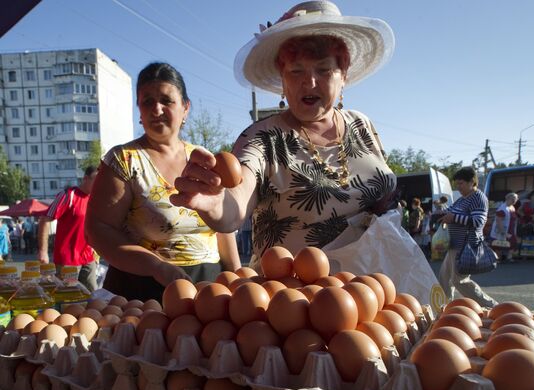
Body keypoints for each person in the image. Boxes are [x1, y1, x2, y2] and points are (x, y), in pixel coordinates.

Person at [169, 1, 397, 272]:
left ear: (343, 75)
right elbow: (237, 200)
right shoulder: (263, 139)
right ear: (282, 80)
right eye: (296, 70)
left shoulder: (362, 125)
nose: (309, 82)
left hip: (378, 286)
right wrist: (217, 203)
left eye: (324, 70)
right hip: (295, 302)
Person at [85, 62, 241, 302]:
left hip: (208, 290)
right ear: (139, 110)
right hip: (141, 291)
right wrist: (155, 266)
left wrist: (238, 280)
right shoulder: (123, 160)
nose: (156, 109)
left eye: (166, 100)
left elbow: (223, 230)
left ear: (185, 108)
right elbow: (98, 231)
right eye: (147, 101)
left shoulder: (202, 157)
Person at [438, 167, 498, 307]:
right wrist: (441, 214)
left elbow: (478, 221)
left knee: (460, 281)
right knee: (444, 278)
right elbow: (450, 212)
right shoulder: (462, 200)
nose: (458, 187)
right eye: (457, 184)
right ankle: (445, 306)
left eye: (461, 183)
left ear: (472, 182)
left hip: (465, 246)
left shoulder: (478, 198)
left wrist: (454, 217)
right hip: (454, 245)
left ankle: (492, 306)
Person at [38, 166, 99, 292]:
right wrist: (43, 252)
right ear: (85, 178)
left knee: (93, 296)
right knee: (67, 298)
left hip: (88, 257)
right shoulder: (68, 195)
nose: (99, 185)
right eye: (96, 180)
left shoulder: (95, 199)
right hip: (67, 260)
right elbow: (45, 220)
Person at [489, 192, 519, 262]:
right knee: (498, 244)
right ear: (507, 198)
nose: (515, 200)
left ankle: (509, 257)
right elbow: (499, 221)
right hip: (501, 230)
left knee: (512, 243)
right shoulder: (502, 208)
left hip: (510, 229)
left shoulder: (512, 207)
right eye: (513, 199)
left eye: (516, 199)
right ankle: (497, 258)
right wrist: (503, 232)